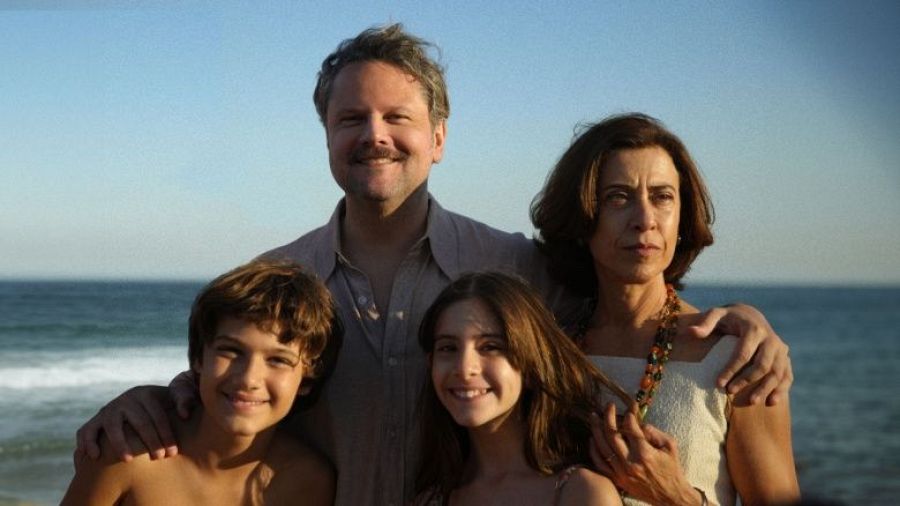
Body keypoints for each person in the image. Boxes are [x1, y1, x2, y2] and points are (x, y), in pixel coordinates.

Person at [74, 25, 792, 506]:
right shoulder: (276, 282)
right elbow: (234, 389)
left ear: (439, 137)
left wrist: (745, 324)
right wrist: (152, 399)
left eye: (398, 118)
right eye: (351, 119)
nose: (375, 136)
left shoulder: (519, 271)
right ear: (326, 136)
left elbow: (627, 304)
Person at [531, 113, 801, 505]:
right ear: (581, 214)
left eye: (662, 197)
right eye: (618, 197)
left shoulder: (737, 359)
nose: (645, 220)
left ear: (682, 216)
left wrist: (675, 496)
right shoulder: (548, 354)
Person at [62, 259, 343, 505]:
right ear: (198, 357)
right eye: (230, 351)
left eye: (278, 360)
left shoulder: (309, 481)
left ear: (307, 378)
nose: (249, 378)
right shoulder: (127, 454)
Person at [415, 272, 627, 505]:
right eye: (448, 348)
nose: (464, 369)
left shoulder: (580, 492)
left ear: (531, 367)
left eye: (490, 347)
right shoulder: (432, 499)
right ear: (431, 363)